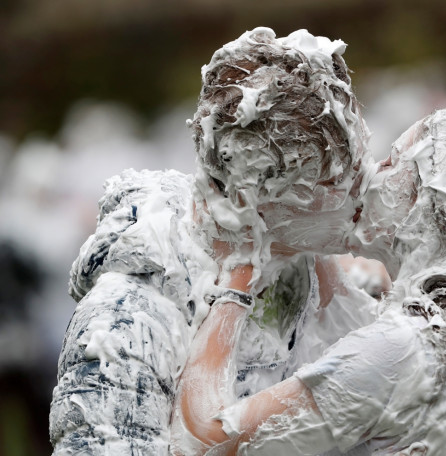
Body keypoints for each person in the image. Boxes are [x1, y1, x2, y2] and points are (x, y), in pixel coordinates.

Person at [172, 107, 446, 455]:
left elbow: (205, 438)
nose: (373, 174)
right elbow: (352, 331)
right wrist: (306, 231)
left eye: (392, 164)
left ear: (423, 203)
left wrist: (237, 278)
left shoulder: (404, 348)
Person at [50, 27, 378, 454]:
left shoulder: (303, 272)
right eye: (337, 182)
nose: (362, 193)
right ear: (255, 198)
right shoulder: (128, 323)